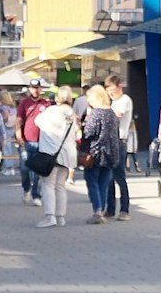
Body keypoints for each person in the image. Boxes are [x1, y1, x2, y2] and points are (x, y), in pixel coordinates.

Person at [34, 87, 80, 228]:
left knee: (48, 185)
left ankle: (50, 216)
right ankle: (61, 217)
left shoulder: (51, 110)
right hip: (67, 154)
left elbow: (37, 122)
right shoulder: (72, 114)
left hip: (50, 153)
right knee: (60, 186)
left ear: (58, 97)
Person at [80, 85, 124, 225]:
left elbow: (88, 133)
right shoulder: (111, 113)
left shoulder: (96, 113)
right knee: (104, 183)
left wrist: (82, 125)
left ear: (96, 97)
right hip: (111, 153)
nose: (88, 100)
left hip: (96, 153)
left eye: (89, 97)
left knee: (92, 180)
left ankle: (97, 211)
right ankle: (102, 209)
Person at [105, 74, 135, 217]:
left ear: (119, 87)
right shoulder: (110, 102)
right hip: (109, 142)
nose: (110, 93)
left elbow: (118, 115)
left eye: (112, 90)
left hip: (119, 141)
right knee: (108, 178)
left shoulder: (125, 100)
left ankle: (124, 209)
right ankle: (110, 209)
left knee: (119, 176)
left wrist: (103, 111)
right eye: (108, 90)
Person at [17, 80, 51, 203]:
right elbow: (19, 119)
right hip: (26, 140)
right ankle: (26, 188)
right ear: (29, 89)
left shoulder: (46, 104)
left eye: (37, 88)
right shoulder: (24, 103)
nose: (35, 90)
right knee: (24, 168)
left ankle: (36, 194)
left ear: (40, 89)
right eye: (32, 88)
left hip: (42, 141)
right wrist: (18, 134)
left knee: (38, 169)